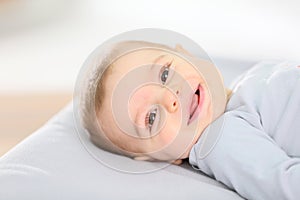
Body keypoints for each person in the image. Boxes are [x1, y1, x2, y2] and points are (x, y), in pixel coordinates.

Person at [79, 40, 300, 200]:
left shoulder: (246, 83)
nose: (171, 98)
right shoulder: (220, 139)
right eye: (152, 117)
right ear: (159, 157)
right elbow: (285, 186)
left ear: (186, 53)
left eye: (164, 74)